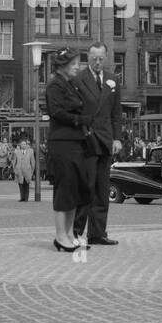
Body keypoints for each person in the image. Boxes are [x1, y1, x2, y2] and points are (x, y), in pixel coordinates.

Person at [73, 41, 122, 246]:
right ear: (88, 57)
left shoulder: (113, 80)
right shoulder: (78, 79)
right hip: (87, 141)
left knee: (102, 189)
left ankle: (97, 233)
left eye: (101, 58)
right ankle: (75, 234)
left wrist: (117, 138)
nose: (98, 62)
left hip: (105, 141)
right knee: (86, 188)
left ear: (106, 57)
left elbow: (116, 114)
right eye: (94, 59)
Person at [45, 47, 92, 252]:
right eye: (74, 64)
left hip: (75, 142)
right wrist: (79, 120)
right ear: (63, 66)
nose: (77, 67)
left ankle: (71, 232)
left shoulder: (70, 84)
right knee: (64, 190)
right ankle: (60, 235)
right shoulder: (55, 85)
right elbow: (56, 112)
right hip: (62, 143)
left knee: (75, 190)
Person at [12, 136, 36, 201]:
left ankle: (26, 198)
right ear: (20, 145)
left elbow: (33, 162)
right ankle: (22, 197)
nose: (23, 145)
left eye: (24, 144)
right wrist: (14, 169)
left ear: (27, 145)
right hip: (19, 170)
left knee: (26, 185)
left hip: (27, 171)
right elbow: (14, 161)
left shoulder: (31, 151)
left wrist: (32, 171)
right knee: (20, 184)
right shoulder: (16, 151)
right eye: (22, 144)